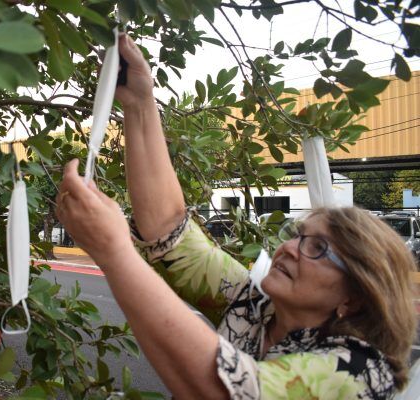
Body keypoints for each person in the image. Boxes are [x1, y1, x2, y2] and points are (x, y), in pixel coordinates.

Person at [54, 34, 418, 399]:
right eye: (297, 234)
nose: (290, 248)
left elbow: (228, 390)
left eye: (317, 248)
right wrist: (139, 104)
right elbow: (170, 234)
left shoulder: (358, 371)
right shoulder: (254, 307)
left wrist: (115, 252)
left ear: (353, 298)